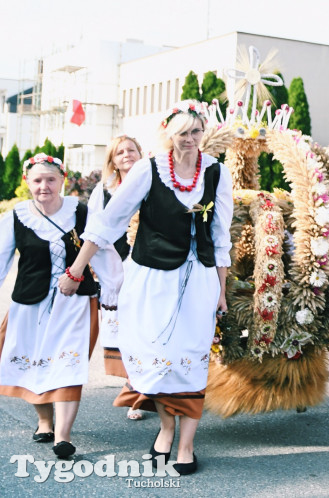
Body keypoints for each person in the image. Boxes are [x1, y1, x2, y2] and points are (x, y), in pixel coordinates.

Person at [68, 100, 233, 475]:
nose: (190, 139)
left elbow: (221, 237)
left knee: (191, 359)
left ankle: (186, 446)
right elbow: (109, 223)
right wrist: (77, 269)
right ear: (169, 135)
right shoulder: (149, 169)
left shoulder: (217, 174)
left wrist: (221, 290)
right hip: (152, 276)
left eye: (195, 132)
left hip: (200, 278)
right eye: (182, 133)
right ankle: (165, 429)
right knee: (158, 356)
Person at [0, 155, 117, 459]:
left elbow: (102, 251)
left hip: (75, 302)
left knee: (68, 362)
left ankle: (63, 436)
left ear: (62, 180)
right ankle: (44, 420)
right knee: (33, 361)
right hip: (29, 303)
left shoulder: (79, 211)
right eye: (37, 180)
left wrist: (115, 291)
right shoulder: (16, 216)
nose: (44, 186)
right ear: (27, 183)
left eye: (50, 179)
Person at [87, 134, 147, 421]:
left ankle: (141, 390)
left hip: (149, 263)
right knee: (127, 329)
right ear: (112, 160)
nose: (126, 155)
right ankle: (133, 387)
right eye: (120, 152)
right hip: (117, 262)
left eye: (131, 150)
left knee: (147, 328)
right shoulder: (105, 190)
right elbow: (96, 229)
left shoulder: (153, 182)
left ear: (140, 153)